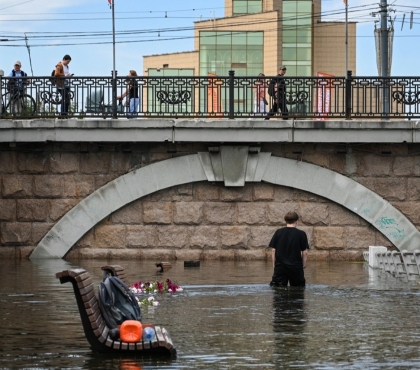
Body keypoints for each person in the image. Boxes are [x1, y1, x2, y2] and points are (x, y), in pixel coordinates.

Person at [269, 211, 308, 287]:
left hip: (280, 267)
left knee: (278, 291)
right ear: (297, 221)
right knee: (298, 292)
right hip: (295, 267)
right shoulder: (301, 234)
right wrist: (303, 266)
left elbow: (273, 250)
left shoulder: (278, 232)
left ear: (285, 221)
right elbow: (305, 252)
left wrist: (274, 265)